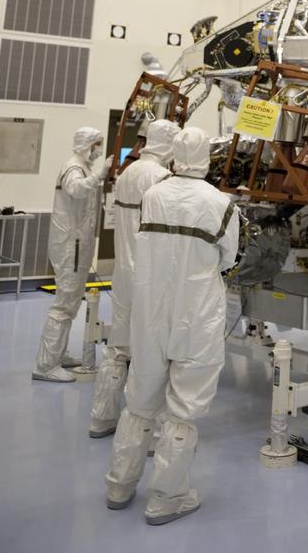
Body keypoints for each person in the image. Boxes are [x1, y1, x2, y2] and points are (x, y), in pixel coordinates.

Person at [105, 126, 239, 525]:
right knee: (183, 406)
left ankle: (118, 485)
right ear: (208, 158)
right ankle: (166, 497)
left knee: (141, 400)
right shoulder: (221, 203)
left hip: (151, 310)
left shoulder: (152, 195)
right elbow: (228, 258)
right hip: (195, 313)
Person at [89, 119, 179, 437]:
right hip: (149, 275)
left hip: (123, 273)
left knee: (119, 345)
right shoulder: (161, 177)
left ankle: (102, 416)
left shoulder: (128, 172)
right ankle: (148, 429)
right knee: (150, 350)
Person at [33, 127, 111, 382]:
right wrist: (100, 175)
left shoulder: (84, 167)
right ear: (86, 144)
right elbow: (76, 190)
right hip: (70, 246)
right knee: (64, 305)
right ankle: (45, 365)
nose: (99, 149)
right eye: (97, 144)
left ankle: (58, 353)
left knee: (72, 303)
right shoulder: (73, 168)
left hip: (78, 245)